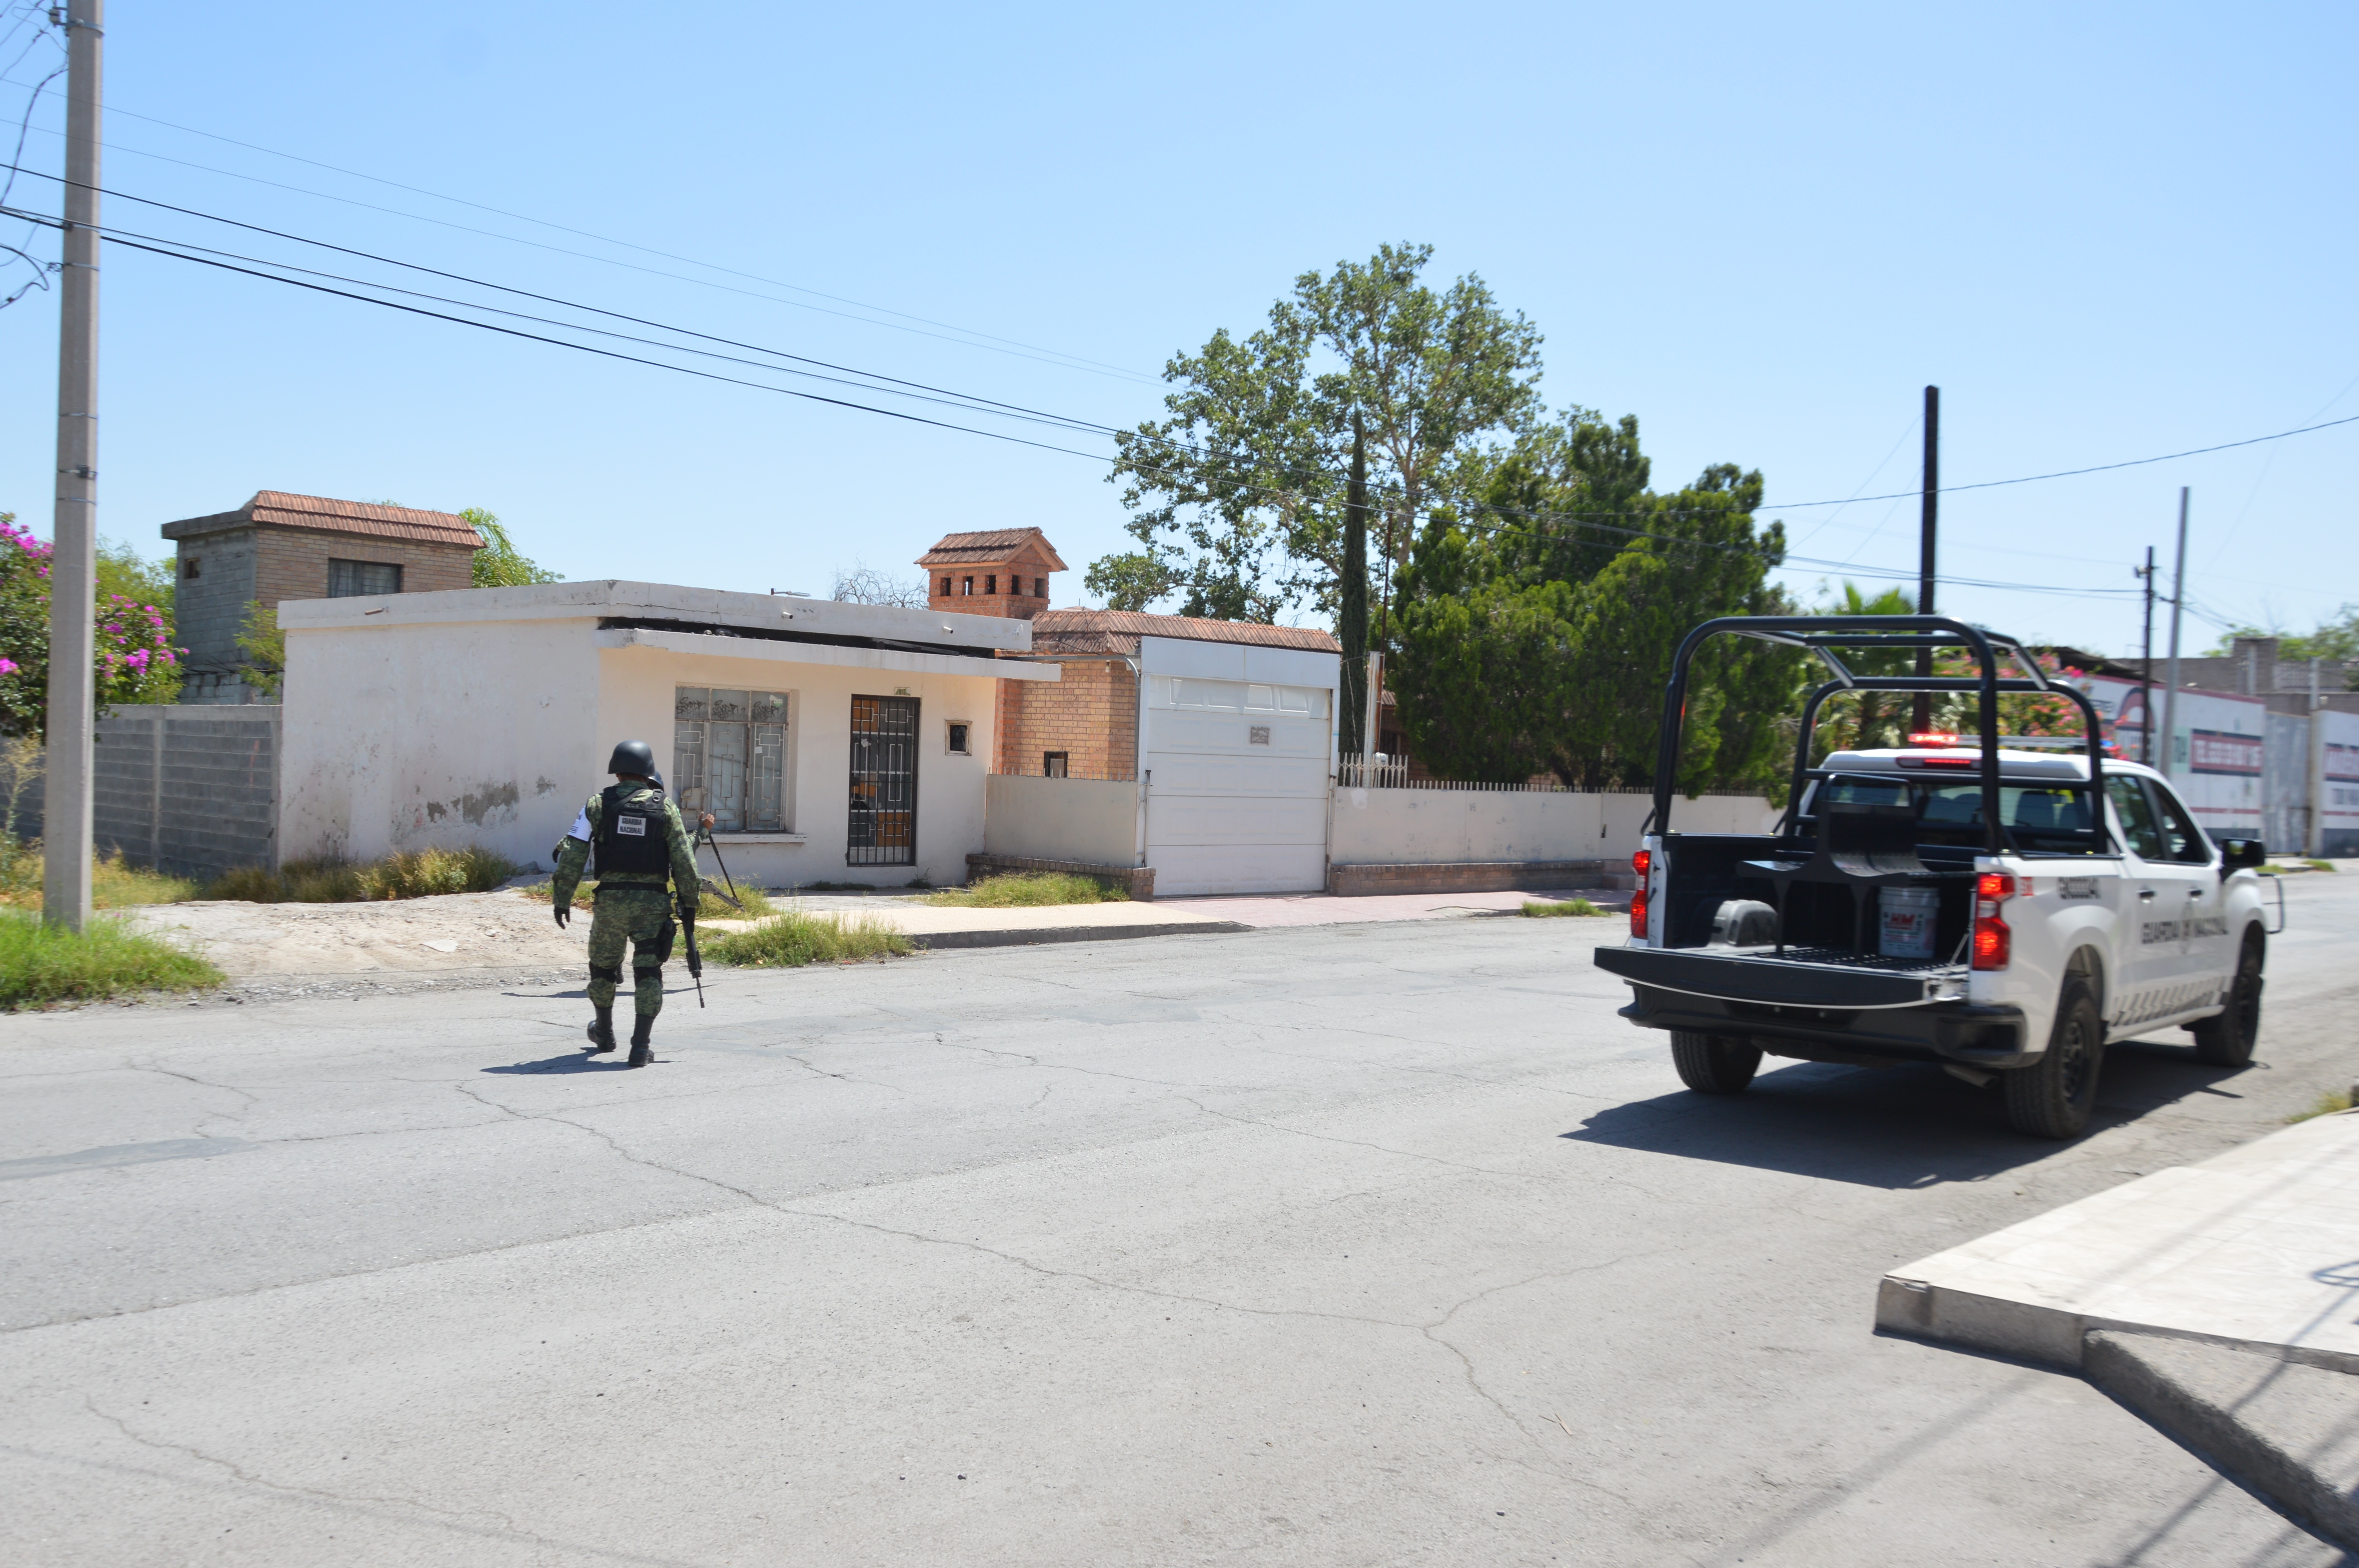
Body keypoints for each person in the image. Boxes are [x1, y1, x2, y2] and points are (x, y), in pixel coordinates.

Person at [549, 740, 711, 1067]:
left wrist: (562, 898)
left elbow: (573, 853)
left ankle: (605, 1033)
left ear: (617, 771)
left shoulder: (596, 804)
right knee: (648, 972)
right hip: (652, 904)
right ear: (649, 771)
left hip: (610, 902)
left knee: (603, 969)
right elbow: (684, 861)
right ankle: (640, 1048)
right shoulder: (665, 807)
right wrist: (690, 903)